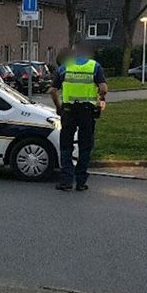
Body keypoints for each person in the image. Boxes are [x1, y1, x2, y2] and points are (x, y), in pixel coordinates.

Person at [50, 42, 107, 192]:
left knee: (66, 146)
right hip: (87, 112)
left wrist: (58, 106)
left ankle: (66, 181)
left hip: (68, 111)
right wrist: (100, 99)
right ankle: (81, 182)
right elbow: (103, 88)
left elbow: (53, 90)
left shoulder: (65, 67)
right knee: (85, 146)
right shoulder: (95, 67)